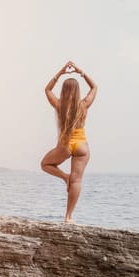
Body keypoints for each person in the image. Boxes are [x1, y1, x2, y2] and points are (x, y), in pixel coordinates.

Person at [40, 61, 97, 224]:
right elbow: (94, 87)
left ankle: (64, 177)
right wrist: (81, 72)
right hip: (81, 146)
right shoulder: (84, 105)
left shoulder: (59, 105)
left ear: (63, 91)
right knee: (77, 180)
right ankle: (68, 217)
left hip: (65, 146)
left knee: (45, 164)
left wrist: (61, 72)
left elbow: (47, 89)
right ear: (78, 91)